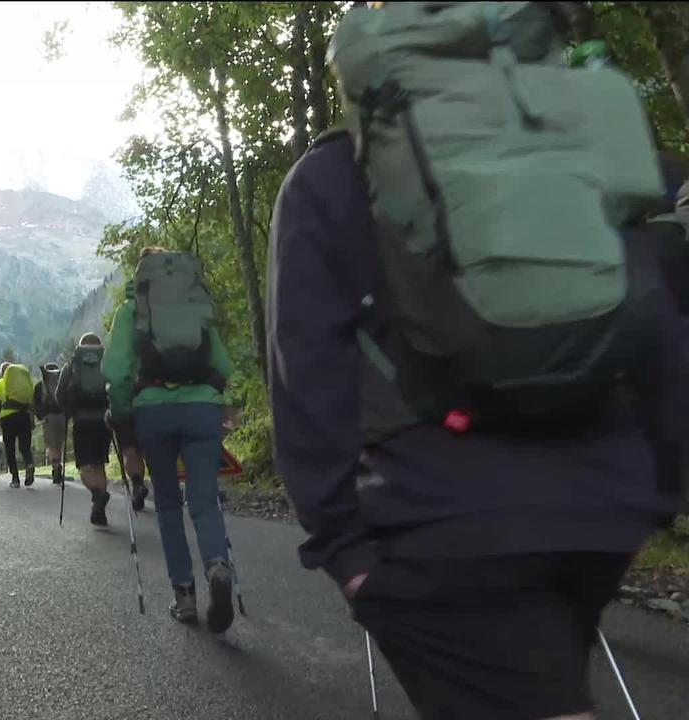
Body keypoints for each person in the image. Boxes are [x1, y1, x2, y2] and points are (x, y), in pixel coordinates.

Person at [267, 4, 685, 717]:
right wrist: (661, 478)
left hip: (438, 521)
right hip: (607, 503)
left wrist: (342, 543)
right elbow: (659, 309)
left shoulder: (332, 175)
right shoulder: (583, 147)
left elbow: (306, 370)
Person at [103, 249, 236, 632]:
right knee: (204, 499)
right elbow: (224, 366)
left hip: (154, 413)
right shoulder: (194, 304)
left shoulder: (134, 312)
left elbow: (117, 372)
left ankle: (185, 597)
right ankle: (217, 566)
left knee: (166, 503)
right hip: (203, 411)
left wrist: (123, 416)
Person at [56, 333, 117, 525]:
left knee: (84, 466)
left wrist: (67, 409)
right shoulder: (106, 362)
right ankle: (99, 510)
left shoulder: (73, 364)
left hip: (82, 421)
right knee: (98, 464)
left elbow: (59, 393)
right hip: (104, 421)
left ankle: (98, 494)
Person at [0, 361, 35, 488]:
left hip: (7, 418)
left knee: (10, 448)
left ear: (2, 373)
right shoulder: (22, 385)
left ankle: (15, 479)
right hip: (24, 416)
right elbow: (30, 403)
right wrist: (31, 419)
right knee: (25, 446)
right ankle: (29, 464)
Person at [33, 362, 67, 485]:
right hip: (63, 416)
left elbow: (35, 404)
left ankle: (56, 467)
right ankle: (59, 465)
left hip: (48, 417)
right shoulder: (62, 383)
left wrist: (40, 417)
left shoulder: (39, 386)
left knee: (52, 446)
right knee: (59, 444)